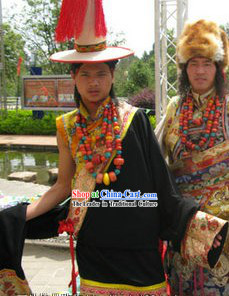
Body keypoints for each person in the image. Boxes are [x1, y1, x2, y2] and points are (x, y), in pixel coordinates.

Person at [0, 4, 227, 296]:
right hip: (94, 245)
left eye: (101, 74)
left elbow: (160, 182)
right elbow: (63, 186)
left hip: (139, 245)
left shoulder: (134, 120)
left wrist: (196, 225)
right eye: (85, 74)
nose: (93, 82)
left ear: (112, 76)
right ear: (73, 78)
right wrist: (20, 215)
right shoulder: (66, 126)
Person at [155, 19, 229, 295]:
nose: (200, 71)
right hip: (183, 223)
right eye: (193, 64)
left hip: (224, 231)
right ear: (184, 69)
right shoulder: (175, 107)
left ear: (219, 69)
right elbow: (154, 157)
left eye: (207, 64)